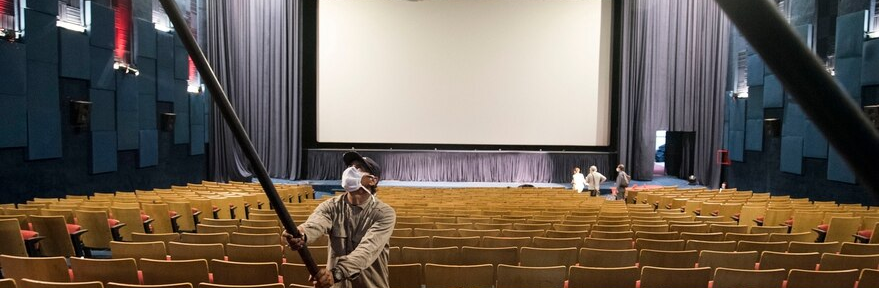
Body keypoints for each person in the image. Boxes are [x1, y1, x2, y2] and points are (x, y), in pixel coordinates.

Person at [284, 152, 396, 288]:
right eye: (350, 166)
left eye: (359, 168)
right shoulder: (330, 206)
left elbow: (367, 250)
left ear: (372, 180)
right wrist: (301, 233)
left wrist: (335, 273)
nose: (351, 171)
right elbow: (315, 224)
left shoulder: (384, 213)